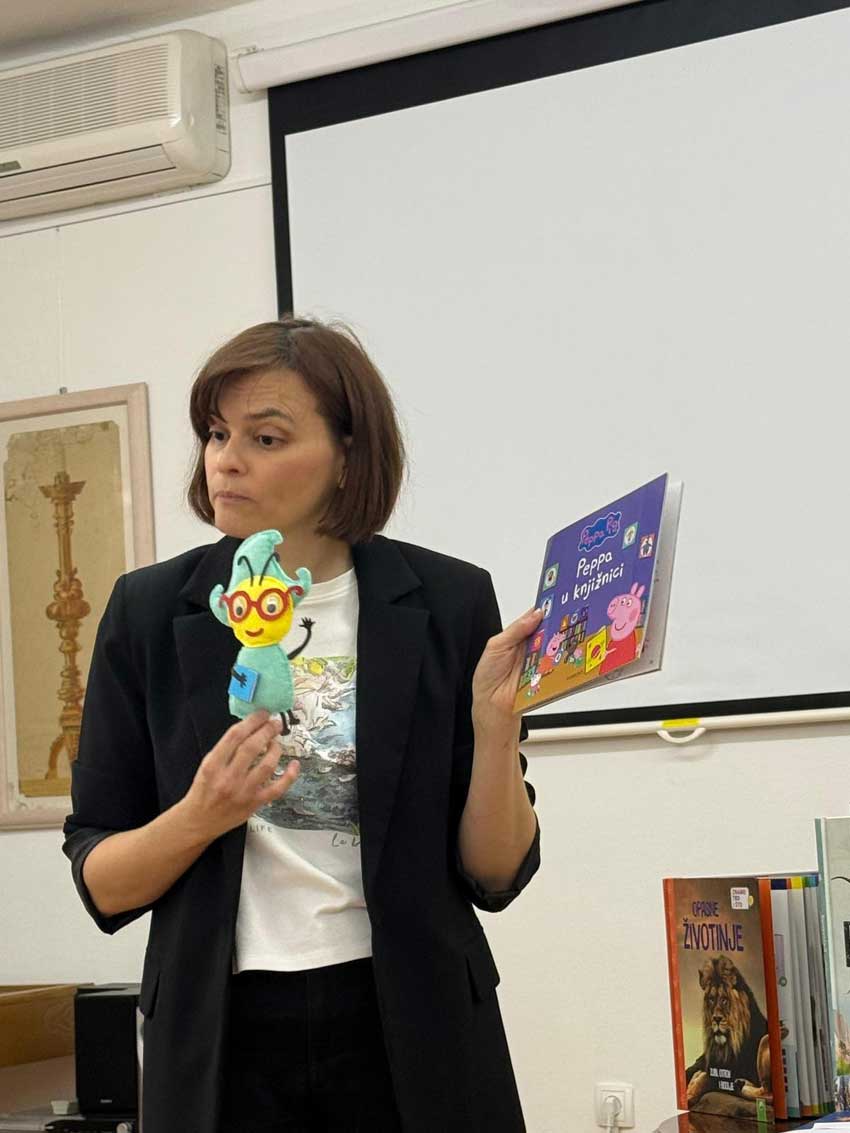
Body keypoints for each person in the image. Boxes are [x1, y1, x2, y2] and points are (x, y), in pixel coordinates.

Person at [63, 315, 542, 1133]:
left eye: (266, 436)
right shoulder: (148, 611)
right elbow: (101, 878)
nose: (226, 459)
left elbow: (496, 873)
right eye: (217, 433)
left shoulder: (449, 599)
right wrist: (201, 813)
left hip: (412, 1025)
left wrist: (496, 733)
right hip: (221, 1035)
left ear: (348, 454)